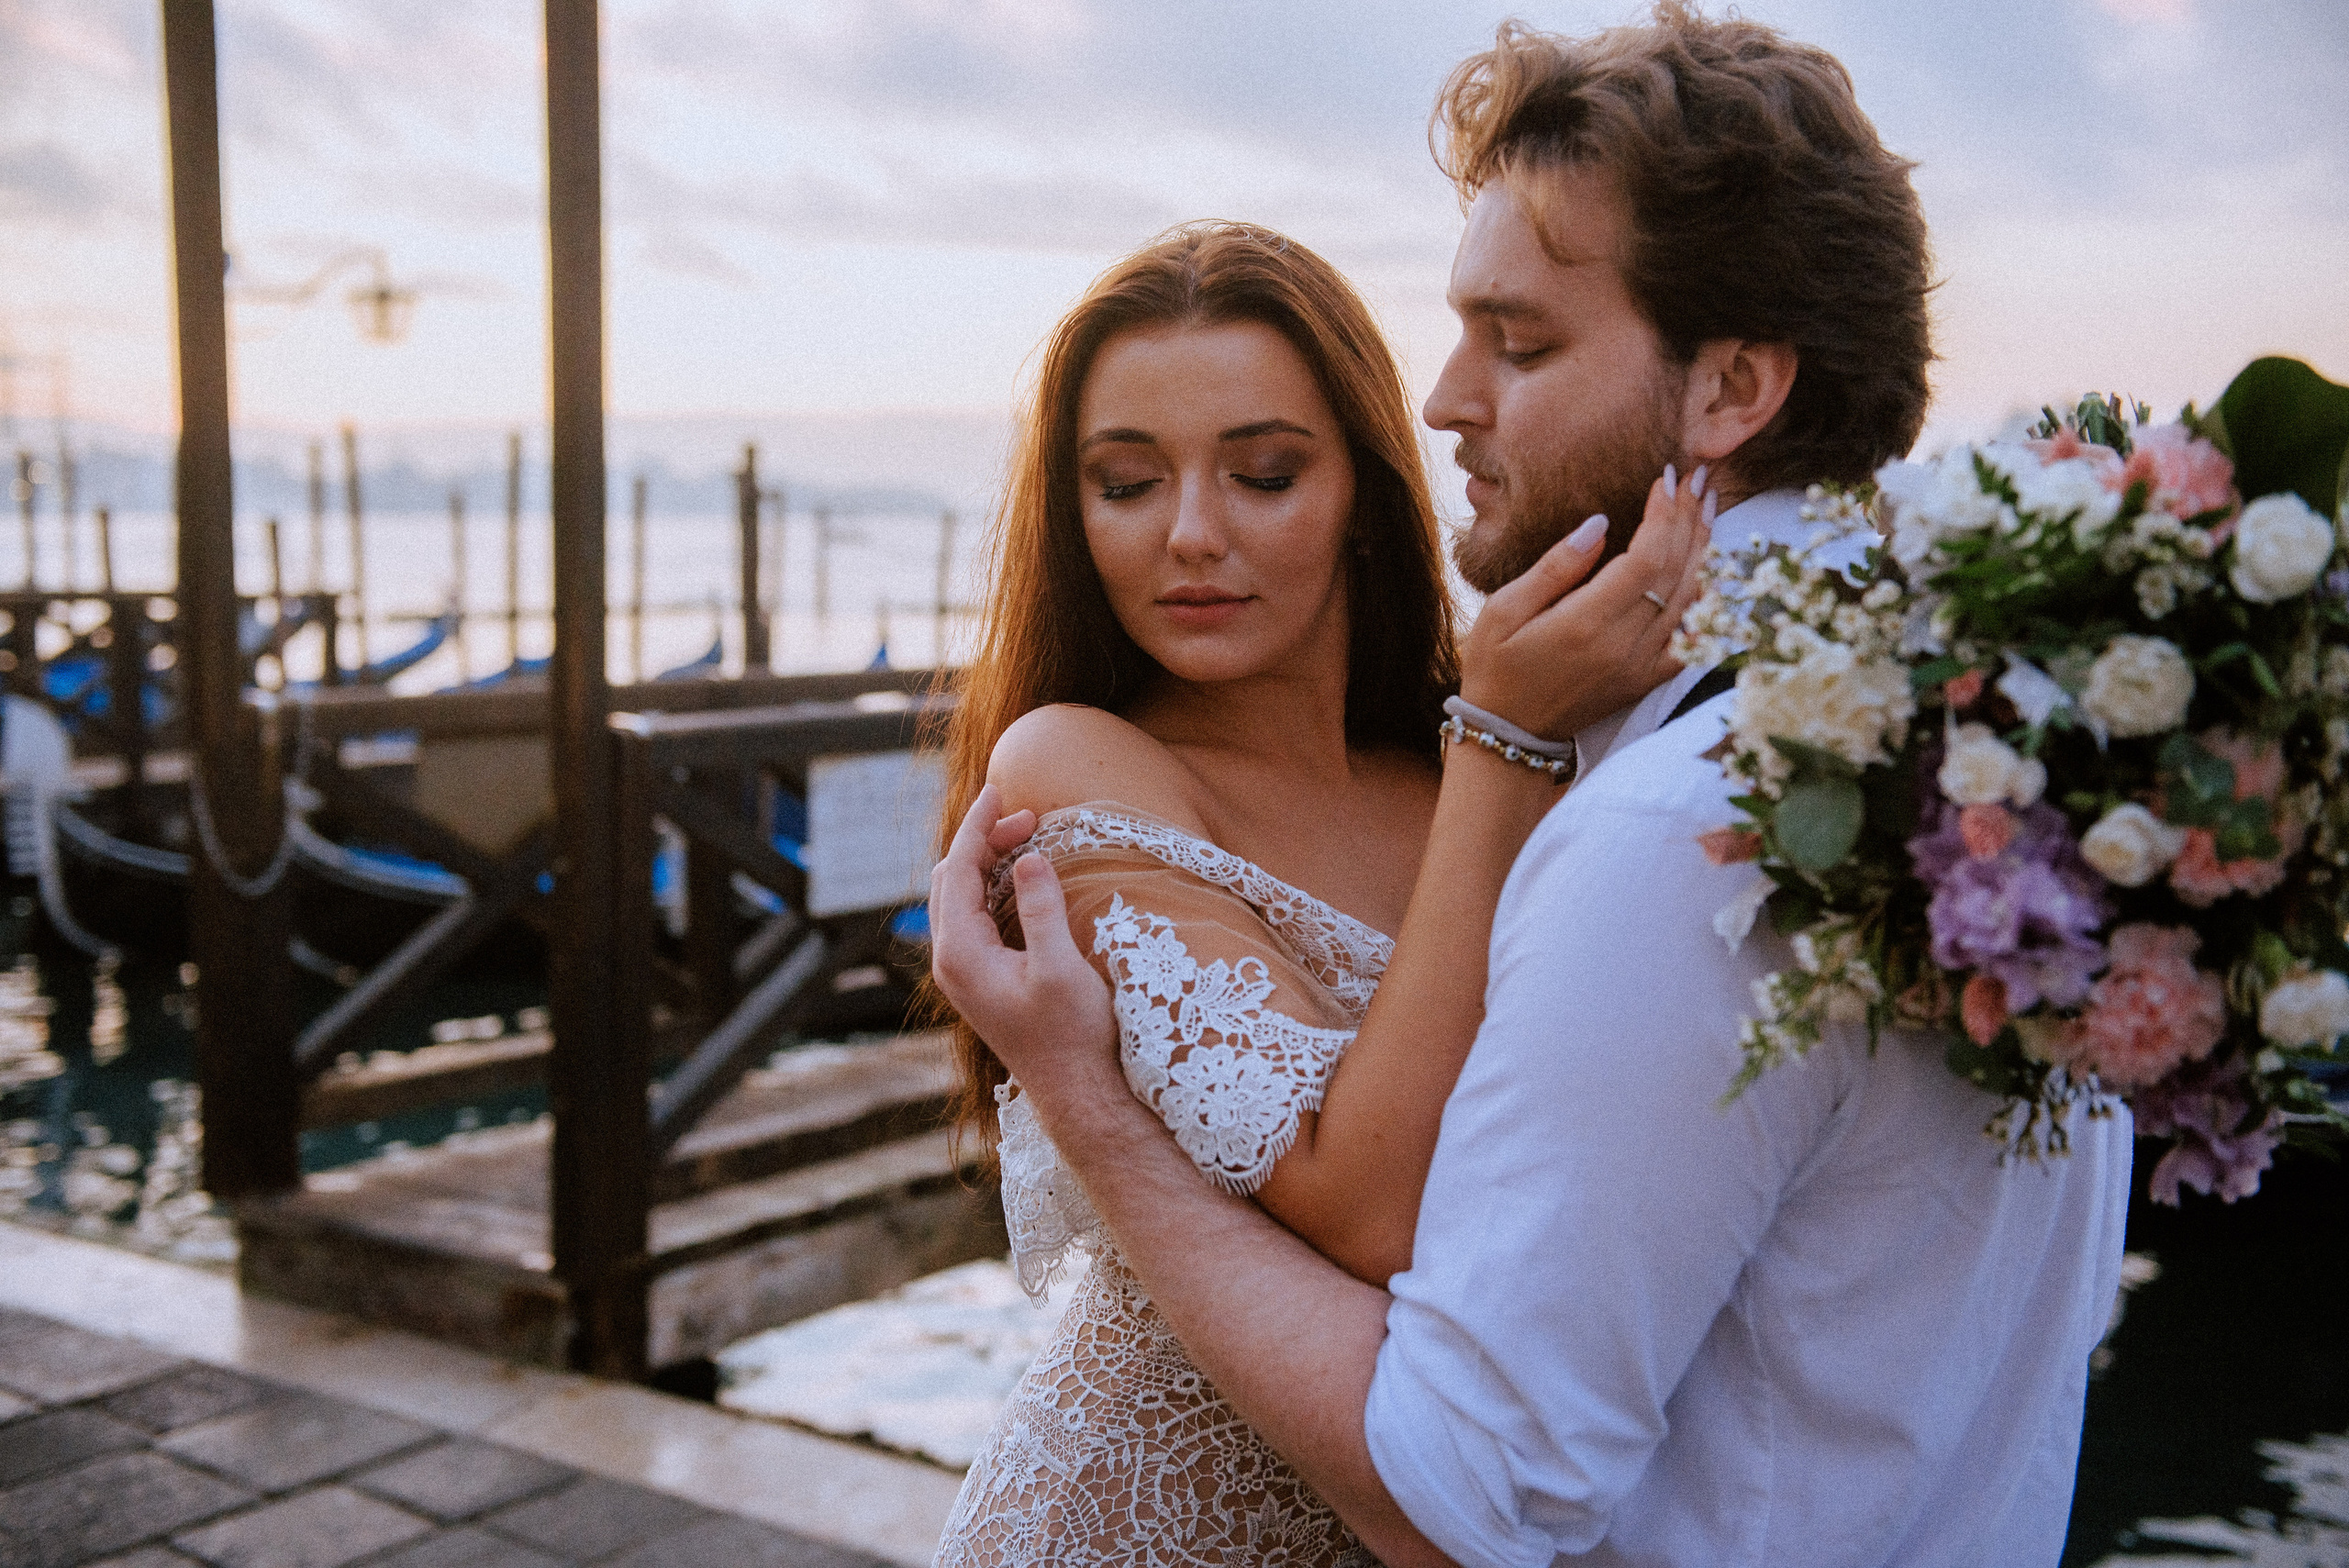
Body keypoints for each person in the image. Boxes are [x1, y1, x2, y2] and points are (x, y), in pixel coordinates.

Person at [930, 10, 2133, 1568]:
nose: (1449, 399)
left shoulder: (1653, 806)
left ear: (1733, 389)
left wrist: (1093, 1105)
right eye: (1125, 479)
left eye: (1522, 341)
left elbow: (1460, 1461)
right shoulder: (2001, 791)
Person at [926, 217, 1712, 1567]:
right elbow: (1371, 1210)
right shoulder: (1081, 763)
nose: (1191, 535)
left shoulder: (1467, 766)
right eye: (1127, 483)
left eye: (1265, 473)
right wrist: (1505, 739)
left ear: (1362, 486)